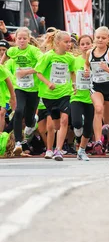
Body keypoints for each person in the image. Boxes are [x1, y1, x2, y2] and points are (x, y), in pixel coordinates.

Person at [34, 31, 77, 161]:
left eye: (70, 42)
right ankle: (49, 149)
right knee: (54, 125)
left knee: (65, 120)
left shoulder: (70, 58)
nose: (69, 44)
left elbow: (72, 72)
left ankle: (58, 150)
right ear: (58, 42)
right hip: (48, 95)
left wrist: (74, 84)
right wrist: (48, 83)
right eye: (66, 42)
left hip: (64, 93)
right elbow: (38, 73)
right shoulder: (48, 56)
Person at [2, 27, 42, 155]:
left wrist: (26, 72)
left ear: (29, 39)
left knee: (29, 119)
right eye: (19, 38)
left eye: (25, 38)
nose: (22, 41)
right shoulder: (13, 50)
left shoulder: (34, 51)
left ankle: (33, 120)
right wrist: (1, 64)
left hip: (34, 88)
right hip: (20, 87)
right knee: (18, 111)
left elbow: (42, 64)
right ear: (16, 39)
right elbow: (6, 55)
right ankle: (18, 142)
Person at [84, 26, 109, 155]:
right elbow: (86, 64)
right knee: (98, 109)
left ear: (108, 39)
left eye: (103, 38)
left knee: (107, 120)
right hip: (95, 86)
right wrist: (86, 70)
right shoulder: (90, 52)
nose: (100, 40)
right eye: (98, 37)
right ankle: (98, 141)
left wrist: (108, 69)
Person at [71, 35, 95, 161]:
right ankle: (77, 138)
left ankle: (82, 150)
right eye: (83, 44)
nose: (85, 46)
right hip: (77, 96)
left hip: (91, 97)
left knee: (88, 127)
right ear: (79, 46)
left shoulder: (96, 60)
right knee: (77, 123)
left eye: (88, 43)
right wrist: (73, 84)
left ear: (92, 45)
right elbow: (70, 72)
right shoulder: (75, 60)